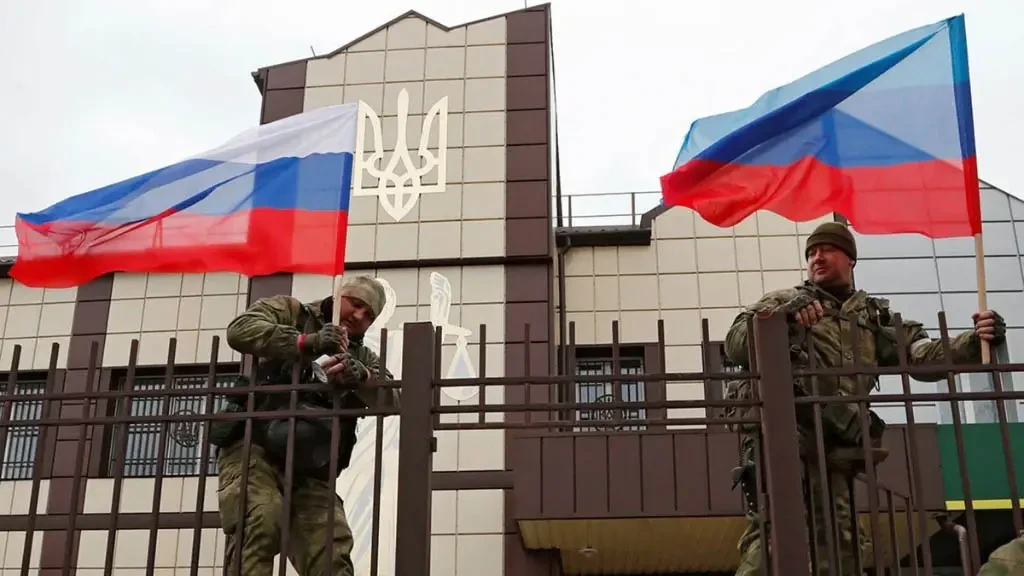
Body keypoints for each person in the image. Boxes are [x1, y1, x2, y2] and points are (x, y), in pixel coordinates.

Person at [723, 222, 1005, 576]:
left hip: (837, 447)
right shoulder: (786, 300)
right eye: (811, 253)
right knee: (773, 538)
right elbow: (735, 344)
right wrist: (784, 318)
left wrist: (973, 340)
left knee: (841, 546)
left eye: (827, 250)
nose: (817, 258)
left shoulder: (873, 316)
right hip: (784, 441)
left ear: (850, 259)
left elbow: (922, 357)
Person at [209, 276, 399, 576]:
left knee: (330, 548)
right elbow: (240, 330)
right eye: (356, 303)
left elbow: (395, 400)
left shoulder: (362, 356)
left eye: (368, 315)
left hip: (311, 465)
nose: (358, 316)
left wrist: (362, 377)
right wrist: (306, 342)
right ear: (338, 296)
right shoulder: (291, 312)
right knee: (261, 519)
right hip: (254, 447)